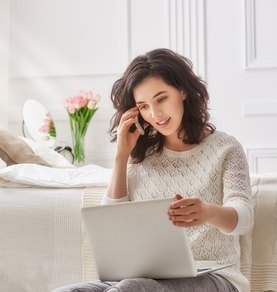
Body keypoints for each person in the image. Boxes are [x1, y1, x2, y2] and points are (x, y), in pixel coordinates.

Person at [53, 48, 253, 292]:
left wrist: (208, 213)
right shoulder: (141, 154)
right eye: (144, 106)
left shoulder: (226, 148)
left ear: (183, 91)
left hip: (215, 277)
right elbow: (114, 226)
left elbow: (244, 218)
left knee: (131, 288)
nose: (155, 114)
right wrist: (121, 156)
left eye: (161, 99)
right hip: (143, 277)